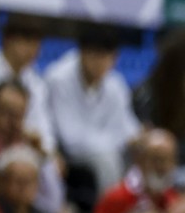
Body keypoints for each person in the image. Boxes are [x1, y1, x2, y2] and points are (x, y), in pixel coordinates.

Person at [44, 25, 140, 193]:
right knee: (107, 161)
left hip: (106, 149)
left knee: (144, 152)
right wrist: (112, 144)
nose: (101, 63)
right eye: (95, 56)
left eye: (107, 57)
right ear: (82, 52)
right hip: (67, 153)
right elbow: (70, 137)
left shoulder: (115, 84)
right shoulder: (59, 78)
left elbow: (126, 129)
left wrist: (141, 139)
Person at [0, 16, 54, 155]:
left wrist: (49, 152)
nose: (33, 50)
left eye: (37, 43)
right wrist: (19, 134)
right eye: (27, 42)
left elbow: (44, 129)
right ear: (8, 40)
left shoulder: (36, 81)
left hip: (24, 149)